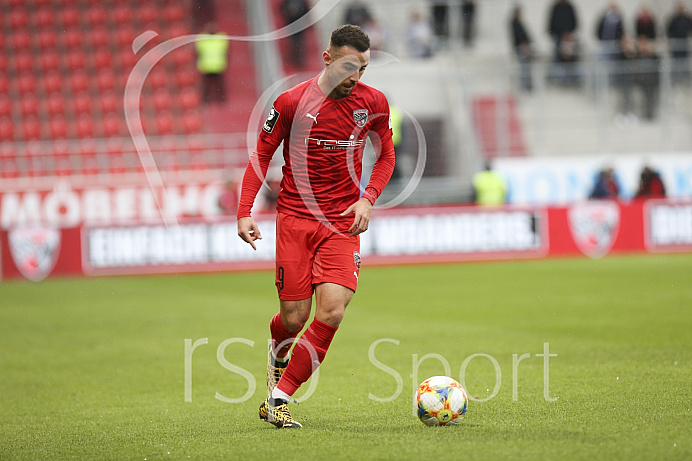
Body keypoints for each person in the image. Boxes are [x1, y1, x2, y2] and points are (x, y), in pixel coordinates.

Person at [236, 25, 396, 429]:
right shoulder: (291, 103)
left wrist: (368, 197)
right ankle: (278, 351)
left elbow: (387, 155)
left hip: (343, 224)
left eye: (361, 67)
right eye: (347, 66)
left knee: (333, 310)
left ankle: (278, 397)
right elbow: (261, 157)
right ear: (327, 59)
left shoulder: (373, 102)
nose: (354, 77)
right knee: (293, 318)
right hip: (295, 221)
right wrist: (244, 211)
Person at [195, 22, 229, 104]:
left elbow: (227, 51)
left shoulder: (220, 38)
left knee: (218, 85)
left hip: (216, 65)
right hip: (208, 65)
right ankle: (207, 99)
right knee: (208, 85)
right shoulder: (204, 38)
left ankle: (220, 99)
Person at [280, 0, 311, 69]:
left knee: (299, 42)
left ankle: (299, 59)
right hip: (291, 24)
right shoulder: (288, 2)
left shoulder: (301, 2)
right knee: (293, 42)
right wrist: (289, 13)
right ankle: (294, 57)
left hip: (299, 26)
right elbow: (282, 9)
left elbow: (306, 11)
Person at [666, 2, 692, 84]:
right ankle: (676, 77)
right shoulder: (674, 19)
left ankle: (685, 78)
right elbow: (669, 30)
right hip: (676, 44)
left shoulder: (687, 19)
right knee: (676, 61)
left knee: (685, 61)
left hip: (684, 43)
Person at [510, 5, 534, 92]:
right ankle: (523, 87)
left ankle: (527, 85)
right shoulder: (515, 24)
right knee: (523, 68)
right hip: (520, 48)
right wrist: (523, 44)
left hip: (523, 48)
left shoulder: (519, 23)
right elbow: (519, 37)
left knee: (526, 68)